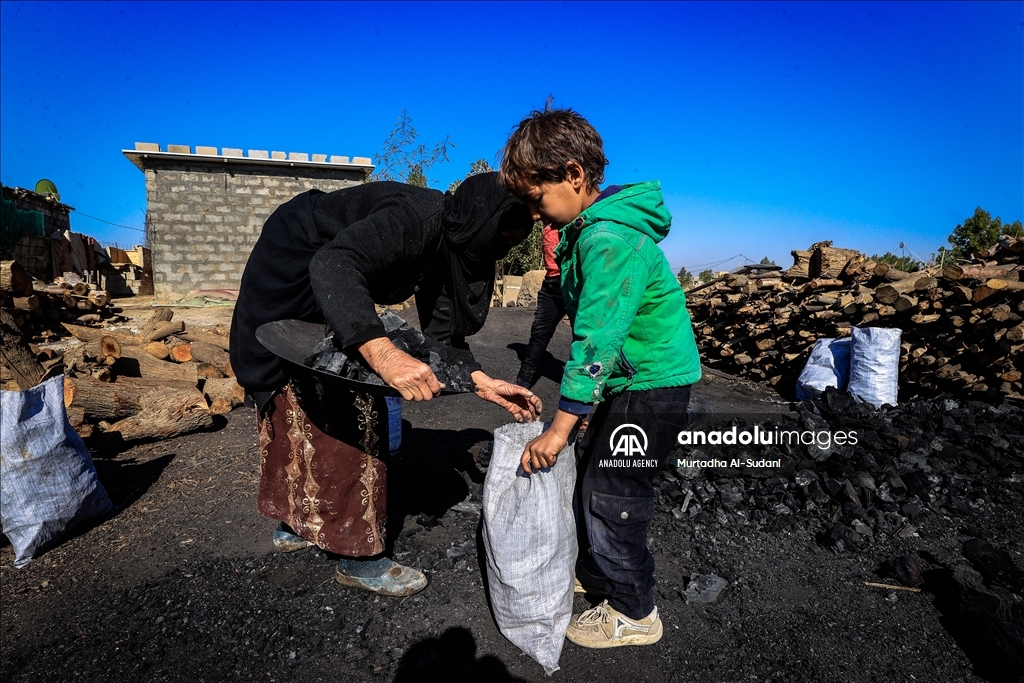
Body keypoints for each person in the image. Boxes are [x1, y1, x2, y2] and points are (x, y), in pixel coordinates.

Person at [230, 172, 542, 597]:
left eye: (511, 241)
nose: (501, 247)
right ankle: (352, 552)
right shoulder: (415, 218)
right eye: (502, 235)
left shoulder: (449, 244)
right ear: (480, 219)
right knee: (323, 390)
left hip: (329, 280)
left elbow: (441, 336)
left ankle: (304, 520)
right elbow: (333, 264)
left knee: (325, 384)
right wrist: (383, 352)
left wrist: (480, 381)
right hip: (292, 265)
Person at [498, 108, 702, 648]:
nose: (538, 216)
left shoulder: (606, 239)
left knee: (613, 492)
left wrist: (560, 427)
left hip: (651, 385)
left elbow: (597, 340)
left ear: (573, 174)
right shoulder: (587, 231)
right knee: (596, 479)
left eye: (538, 199)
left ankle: (636, 613)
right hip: (631, 382)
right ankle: (604, 576)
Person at [514, 223, 568, 390]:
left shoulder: (574, 219)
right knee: (539, 333)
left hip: (572, 283)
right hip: (550, 285)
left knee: (584, 336)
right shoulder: (547, 224)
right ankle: (523, 382)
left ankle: (586, 389)